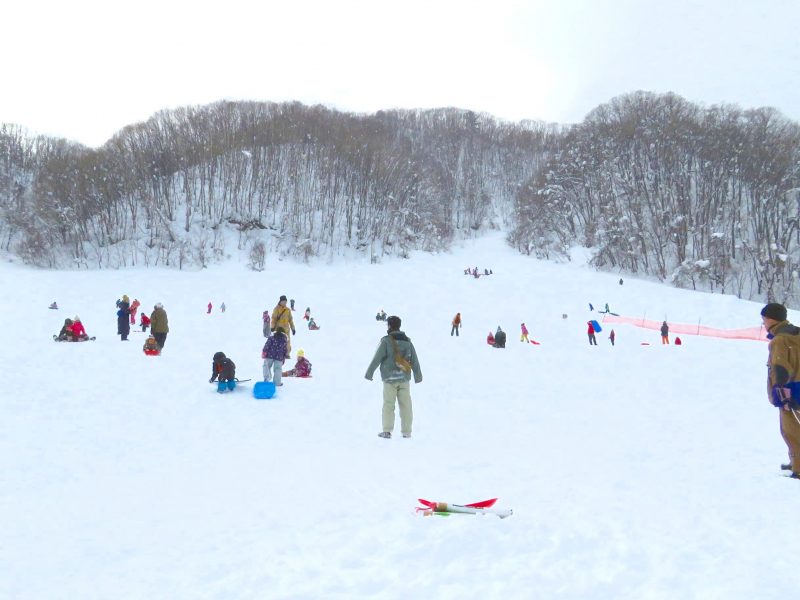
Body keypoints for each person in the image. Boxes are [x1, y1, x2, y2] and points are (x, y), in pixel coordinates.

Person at [365, 315, 422, 439]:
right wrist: (418, 376)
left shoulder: (386, 341)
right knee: (406, 405)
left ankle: (387, 431)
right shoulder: (407, 341)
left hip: (389, 378)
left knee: (388, 404)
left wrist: (369, 373)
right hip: (404, 378)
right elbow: (414, 360)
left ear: (390, 326)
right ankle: (407, 432)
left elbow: (377, 358)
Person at [761, 303, 800, 479]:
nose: (763, 323)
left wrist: (783, 396)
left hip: (790, 390)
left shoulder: (779, 340)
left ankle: (798, 467)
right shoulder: (796, 333)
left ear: (771, 319)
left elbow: (780, 368)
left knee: (791, 431)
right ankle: (794, 461)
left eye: (764, 319)